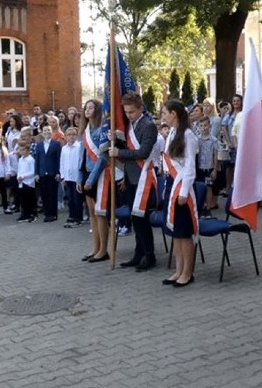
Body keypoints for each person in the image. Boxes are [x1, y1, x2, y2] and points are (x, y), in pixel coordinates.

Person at [108, 92, 159, 271]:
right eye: (126, 112)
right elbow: (128, 148)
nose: (128, 115)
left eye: (131, 112)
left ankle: (148, 254)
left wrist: (119, 153)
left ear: (140, 109)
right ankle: (139, 253)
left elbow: (142, 152)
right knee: (135, 217)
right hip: (131, 177)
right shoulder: (129, 126)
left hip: (144, 177)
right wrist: (115, 142)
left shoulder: (148, 126)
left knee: (142, 217)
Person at [161, 99, 199, 288]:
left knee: (184, 233)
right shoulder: (173, 133)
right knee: (176, 232)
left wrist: (184, 192)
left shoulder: (188, 135)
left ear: (174, 114)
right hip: (171, 183)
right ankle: (178, 269)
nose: (163, 116)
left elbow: (190, 166)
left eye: (165, 113)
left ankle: (187, 272)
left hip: (182, 185)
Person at [77, 99, 111, 262]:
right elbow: (81, 156)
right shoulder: (85, 131)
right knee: (91, 214)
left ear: (97, 110)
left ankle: (103, 250)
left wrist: (91, 179)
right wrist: (79, 177)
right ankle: (95, 248)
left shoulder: (101, 131)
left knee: (100, 213)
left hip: (98, 176)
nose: (87, 110)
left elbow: (103, 158)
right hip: (86, 173)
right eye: (86, 107)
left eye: (91, 107)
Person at [34, 125, 62, 223]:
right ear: (42, 132)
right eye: (45, 130)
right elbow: (37, 160)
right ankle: (47, 214)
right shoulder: (39, 145)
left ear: (52, 132)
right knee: (44, 194)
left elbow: (59, 159)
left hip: (52, 172)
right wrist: (36, 173)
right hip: (42, 173)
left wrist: (58, 172)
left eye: (49, 130)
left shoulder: (56, 144)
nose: (47, 132)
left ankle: (53, 214)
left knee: (52, 194)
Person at [60, 126, 83, 228]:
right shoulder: (64, 149)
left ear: (77, 136)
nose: (71, 137)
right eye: (69, 135)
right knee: (70, 198)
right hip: (68, 177)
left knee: (77, 198)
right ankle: (71, 215)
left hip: (76, 177)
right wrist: (63, 176)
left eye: (73, 134)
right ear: (65, 137)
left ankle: (78, 218)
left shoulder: (79, 147)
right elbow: (62, 163)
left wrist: (80, 177)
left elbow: (80, 163)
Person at [196, 116, 219, 213]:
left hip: (209, 168)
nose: (203, 128)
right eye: (201, 126)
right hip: (199, 168)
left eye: (205, 125)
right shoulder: (197, 140)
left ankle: (208, 207)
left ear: (209, 126)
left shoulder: (214, 140)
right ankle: (201, 205)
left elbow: (215, 155)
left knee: (209, 187)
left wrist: (215, 169)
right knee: (200, 186)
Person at [15, 141, 37, 222]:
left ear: (28, 150)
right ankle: (24, 214)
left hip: (29, 182)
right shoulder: (20, 159)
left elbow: (32, 172)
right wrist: (18, 177)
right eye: (20, 150)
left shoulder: (30, 160)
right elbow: (19, 170)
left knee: (30, 199)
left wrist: (23, 176)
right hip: (21, 182)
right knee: (23, 199)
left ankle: (32, 214)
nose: (22, 152)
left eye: (23, 150)